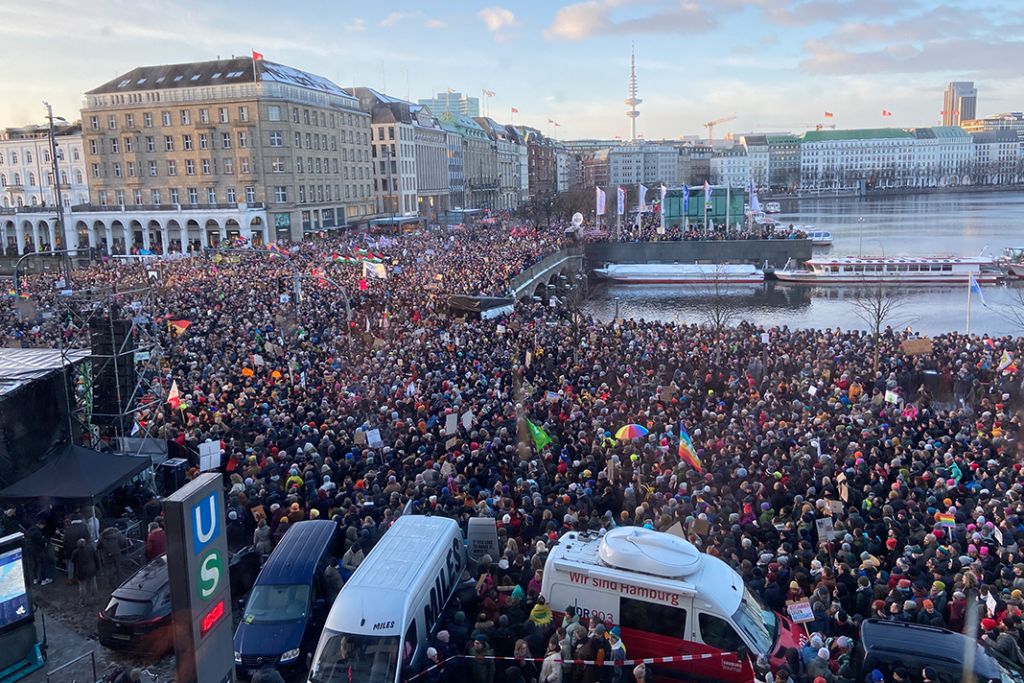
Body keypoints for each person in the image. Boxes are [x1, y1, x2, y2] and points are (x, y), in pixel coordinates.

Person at [71, 537, 100, 604]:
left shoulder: (75, 552)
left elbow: (72, 561)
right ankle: (95, 598)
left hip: (81, 571)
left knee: (82, 586)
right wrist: (97, 567)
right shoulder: (90, 548)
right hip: (91, 569)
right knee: (93, 584)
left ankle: (83, 601)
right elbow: (96, 557)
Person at [98, 523, 126, 588]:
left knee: (109, 569)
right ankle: (121, 581)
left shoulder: (102, 536)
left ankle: (111, 583)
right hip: (116, 552)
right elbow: (123, 540)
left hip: (106, 555)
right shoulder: (117, 533)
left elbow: (98, 546)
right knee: (118, 567)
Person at [26, 519, 52, 586]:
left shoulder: (31, 529)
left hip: (31, 549)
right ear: (41, 525)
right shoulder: (37, 532)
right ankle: (43, 579)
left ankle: (35, 578)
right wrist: (45, 540)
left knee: (35, 564)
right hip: (37, 550)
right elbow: (41, 540)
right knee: (42, 564)